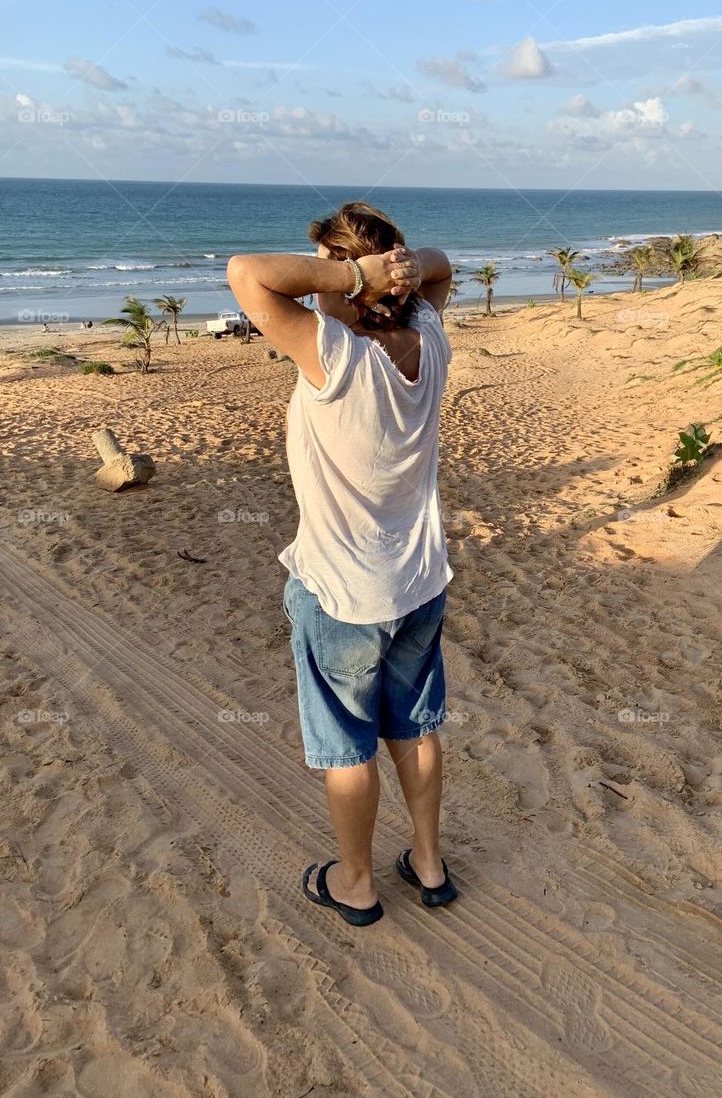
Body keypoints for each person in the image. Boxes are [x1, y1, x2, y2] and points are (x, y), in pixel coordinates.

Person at [227, 203, 456, 927]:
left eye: (329, 266)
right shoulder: (428, 335)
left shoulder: (332, 353)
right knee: (414, 729)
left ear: (350, 273)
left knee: (348, 748)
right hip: (420, 582)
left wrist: (353, 275)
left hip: (343, 593)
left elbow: (246, 275)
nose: (318, 283)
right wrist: (392, 273)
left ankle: (355, 883)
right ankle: (427, 862)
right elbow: (441, 267)